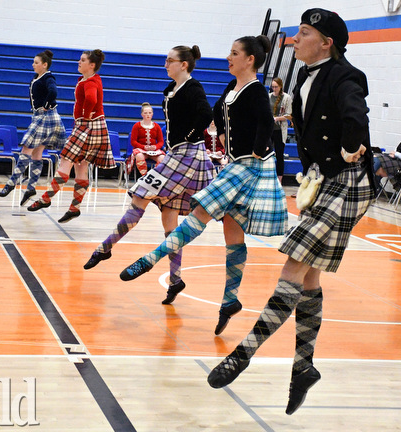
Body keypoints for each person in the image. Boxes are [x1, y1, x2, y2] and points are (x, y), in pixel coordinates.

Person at [206, 9, 375, 415]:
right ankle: (304, 367)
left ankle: (244, 352)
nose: (292, 40)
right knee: (310, 277)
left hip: (348, 181)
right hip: (320, 181)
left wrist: (353, 142)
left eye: (302, 33)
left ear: (327, 41)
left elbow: (356, 114)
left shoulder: (345, 76)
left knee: (294, 264)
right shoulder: (302, 76)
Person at [118, 35, 287, 336]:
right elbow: (216, 113)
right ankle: (230, 300)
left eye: (234, 53)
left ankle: (150, 259)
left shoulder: (257, 90)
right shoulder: (231, 88)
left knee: (201, 211)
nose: (228, 57)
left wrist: (258, 151)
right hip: (236, 163)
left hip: (252, 166)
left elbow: (267, 122)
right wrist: (221, 137)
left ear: (250, 60)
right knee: (231, 233)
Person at [83, 45, 214, 305]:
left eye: (170, 60)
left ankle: (105, 248)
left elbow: (207, 116)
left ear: (184, 65)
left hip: (189, 156)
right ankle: (176, 281)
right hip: (177, 155)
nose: (165, 64)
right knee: (169, 219)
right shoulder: (170, 90)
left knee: (140, 196)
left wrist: (189, 137)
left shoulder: (193, 88)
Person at [27, 49, 115, 223]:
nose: (79, 62)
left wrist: (85, 115)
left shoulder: (89, 82)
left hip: (88, 126)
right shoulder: (90, 79)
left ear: (92, 65)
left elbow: (91, 99)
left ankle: (46, 199)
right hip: (95, 126)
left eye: (82, 60)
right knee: (81, 166)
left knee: (66, 159)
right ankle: (74, 208)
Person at [0, 50, 66, 205]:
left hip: (45, 116)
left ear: (45, 64)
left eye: (36, 62)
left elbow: (53, 91)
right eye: (33, 62)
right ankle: (31, 187)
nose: (33, 65)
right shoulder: (37, 77)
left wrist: (47, 104)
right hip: (40, 116)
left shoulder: (48, 77)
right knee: (37, 153)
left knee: (26, 149)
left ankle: (12, 182)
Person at [126, 102, 166, 177]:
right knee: (139, 156)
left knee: (162, 158)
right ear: (142, 114)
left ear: (152, 114)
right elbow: (133, 141)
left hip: (153, 150)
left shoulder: (157, 126)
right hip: (141, 150)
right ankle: (145, 177)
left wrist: (155, 147)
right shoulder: (137, 126)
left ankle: (154, 176)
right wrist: (143, 147)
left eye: (150, 113)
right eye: (145, 113)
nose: (148, 115)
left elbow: (161, 142)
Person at [269, 77, 292, 183]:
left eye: (276, 87)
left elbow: (288, 115)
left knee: (279, 154)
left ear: (280, 86)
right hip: (269, 129)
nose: (274, 89)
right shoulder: (269, 96)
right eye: (272, 87)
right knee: (267, 154)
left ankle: (279, 179)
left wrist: (277, 118)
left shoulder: (286, 97)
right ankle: (267, 177)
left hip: (279, 129)